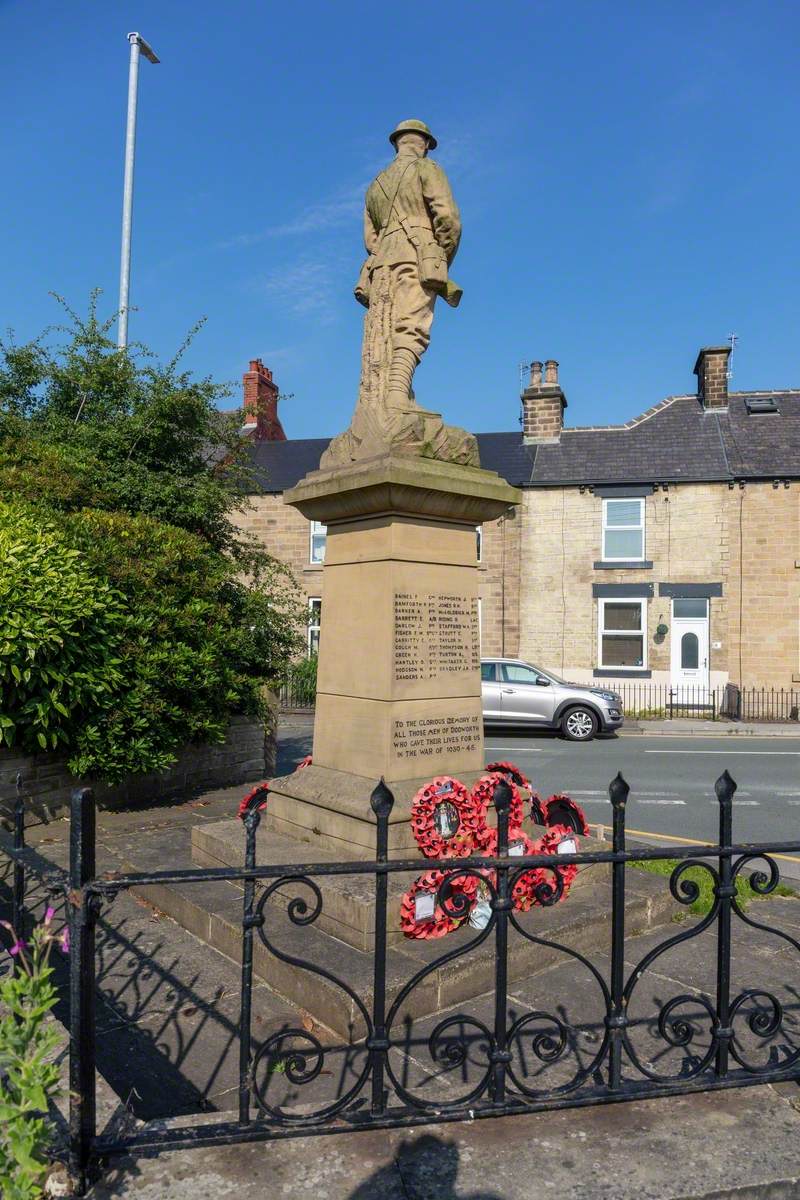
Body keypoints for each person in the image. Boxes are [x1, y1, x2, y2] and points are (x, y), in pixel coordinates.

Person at [320, 120, 479, 468]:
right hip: (415, 255)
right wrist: (440, 254)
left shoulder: (375, 185)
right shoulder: (427, 168)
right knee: (412, 327)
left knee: (383, 333)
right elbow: (449, 218)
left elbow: (370, 238)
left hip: (381, 267)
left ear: (397, 144)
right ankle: (394, 397)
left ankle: (388, 397)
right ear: (422, 143)